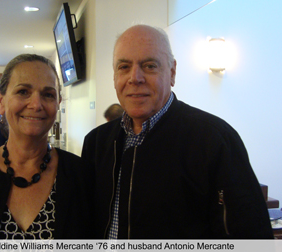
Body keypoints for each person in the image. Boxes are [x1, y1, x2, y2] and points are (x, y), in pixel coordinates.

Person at [81, 25, 273, 239]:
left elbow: (250, 238)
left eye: (150, 66)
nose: (135, 77)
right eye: (124, 67)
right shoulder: (96, 143)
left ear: (172, 73)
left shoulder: (215, 140)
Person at [0, 54, 92, 239]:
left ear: (57, 103)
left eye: (48, 94)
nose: (36, 104)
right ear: (1, 101)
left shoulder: (82, 174)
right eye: (23, 92)